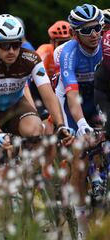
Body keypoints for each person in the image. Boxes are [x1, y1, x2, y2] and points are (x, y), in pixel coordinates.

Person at [0, 14, 73, 197]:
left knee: (36, 131)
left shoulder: (30, 58)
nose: (11, 51)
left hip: (15, 104)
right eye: (4, 45)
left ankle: (29, 180)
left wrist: (60, 125)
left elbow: (48, 94)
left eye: (16, 44)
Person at [54, 4, 104, 238]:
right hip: (71, 101)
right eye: (87, 30)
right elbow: (72, 96)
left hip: (97, 97)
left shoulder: (106, 46)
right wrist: (81, 124)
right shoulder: (68, 53)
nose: (94, 34)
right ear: (75, 34)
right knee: (79, 155)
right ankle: (82, 223)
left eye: (97, 28)